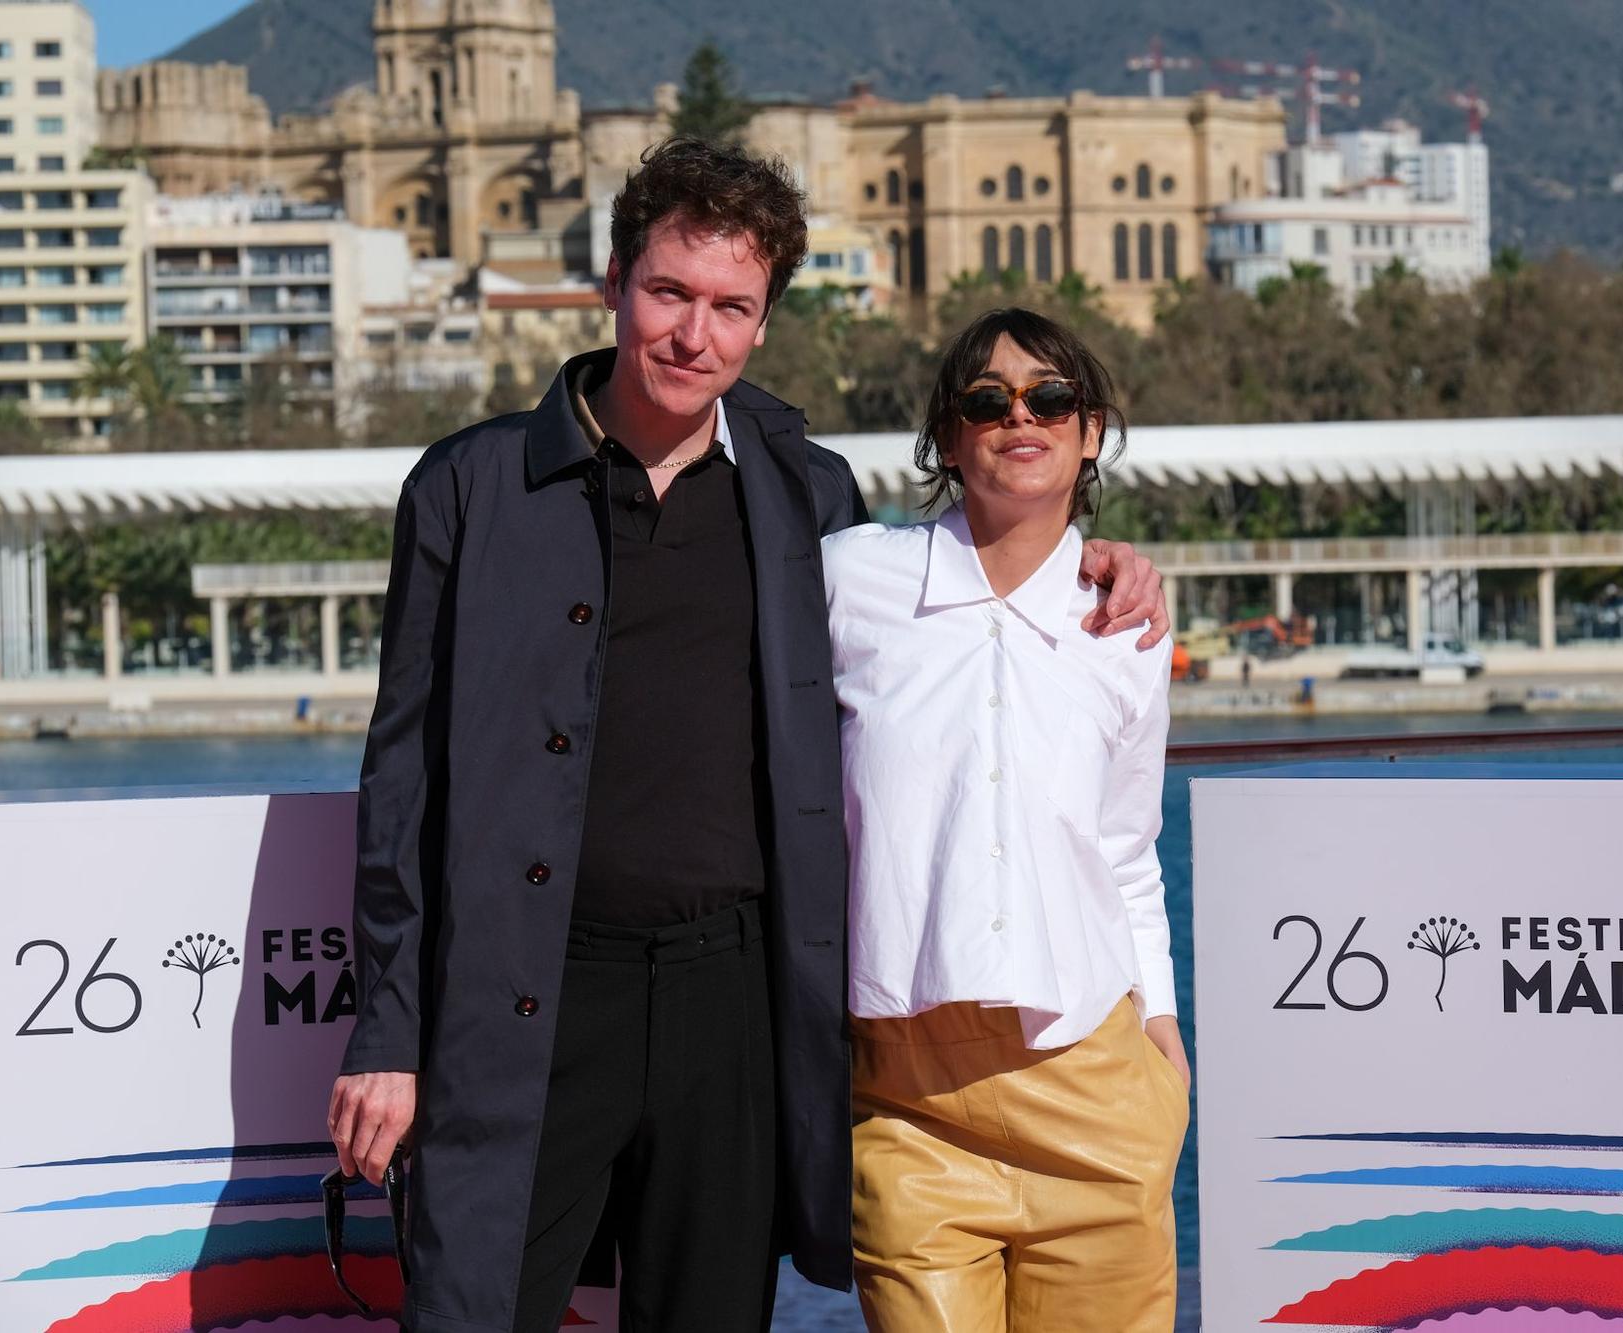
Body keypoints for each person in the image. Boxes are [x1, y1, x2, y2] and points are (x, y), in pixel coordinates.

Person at [325, 141, 1168, 1333]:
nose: (692, 335)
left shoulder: (805, 495)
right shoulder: (472, 487)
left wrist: (1098, 558)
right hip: (528, 995)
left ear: (762, 324)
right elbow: (400, 780)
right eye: (669, 292)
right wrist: (386, 1033)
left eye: (731, 307)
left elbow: (953, 583)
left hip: (733, 1006)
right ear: (614, 280)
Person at [822, 308, 1188, 1332]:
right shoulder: (848, 580)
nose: (1018, 416)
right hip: (909, 1110)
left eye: (1050, 398)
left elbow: (1125, 846)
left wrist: (1160, 1030)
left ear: (1089, 431)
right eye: (986, 401)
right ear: (947, 437)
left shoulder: (1125, 624)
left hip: (1095, 1093)